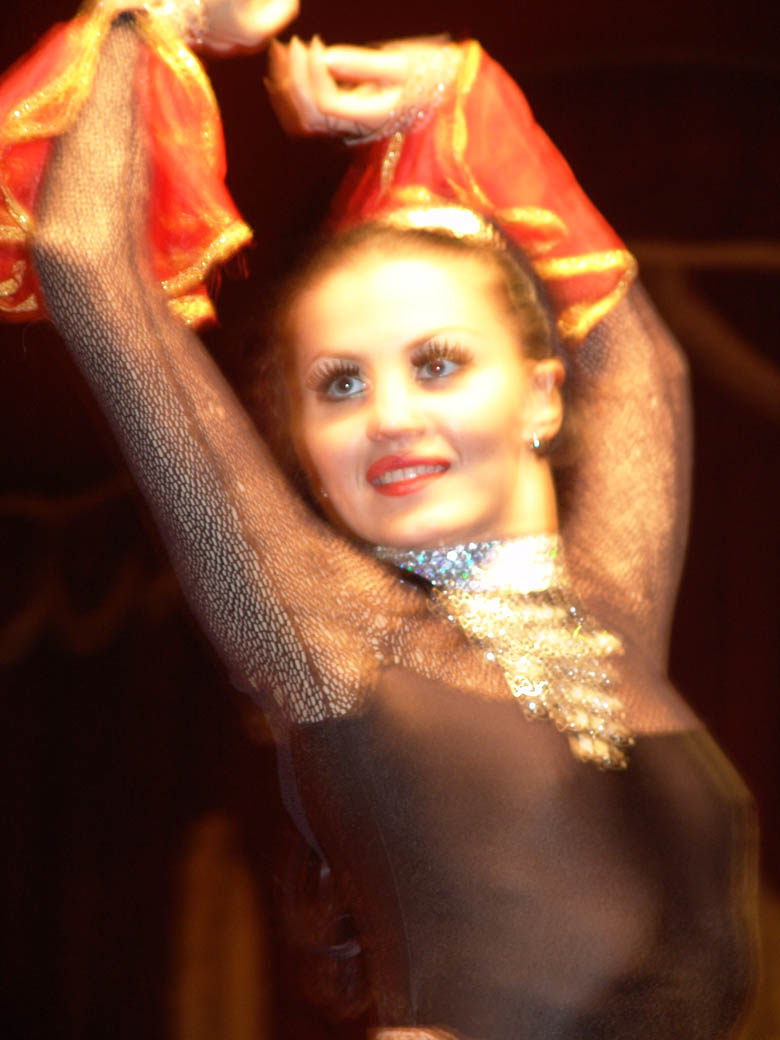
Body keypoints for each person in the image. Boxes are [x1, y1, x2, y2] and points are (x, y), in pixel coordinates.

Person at [0, 2, 758, 1037]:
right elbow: (88, 260)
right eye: (340, 385)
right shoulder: (336, 642)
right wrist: (150, 19)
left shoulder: (614, 613)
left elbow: (638, 358)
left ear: (542, 394)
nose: (390, 416)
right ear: (310, 457)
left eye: (437, 363)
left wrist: (459, 96)